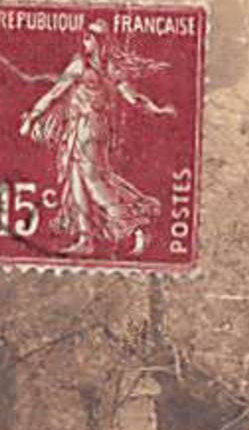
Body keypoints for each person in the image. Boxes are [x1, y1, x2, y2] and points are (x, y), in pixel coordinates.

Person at [17, 19, 177, 257]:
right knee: (79, 180)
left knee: (94, 182)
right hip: (96, 130)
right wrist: (157, 109)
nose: (85, 42)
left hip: (85, 129)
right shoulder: (111, 67)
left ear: (95, 40)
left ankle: (135, 226)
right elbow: (134, 98)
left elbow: (53, 95)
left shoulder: (81, 65)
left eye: (88, 38)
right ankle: (86, 239)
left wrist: (32, 118)